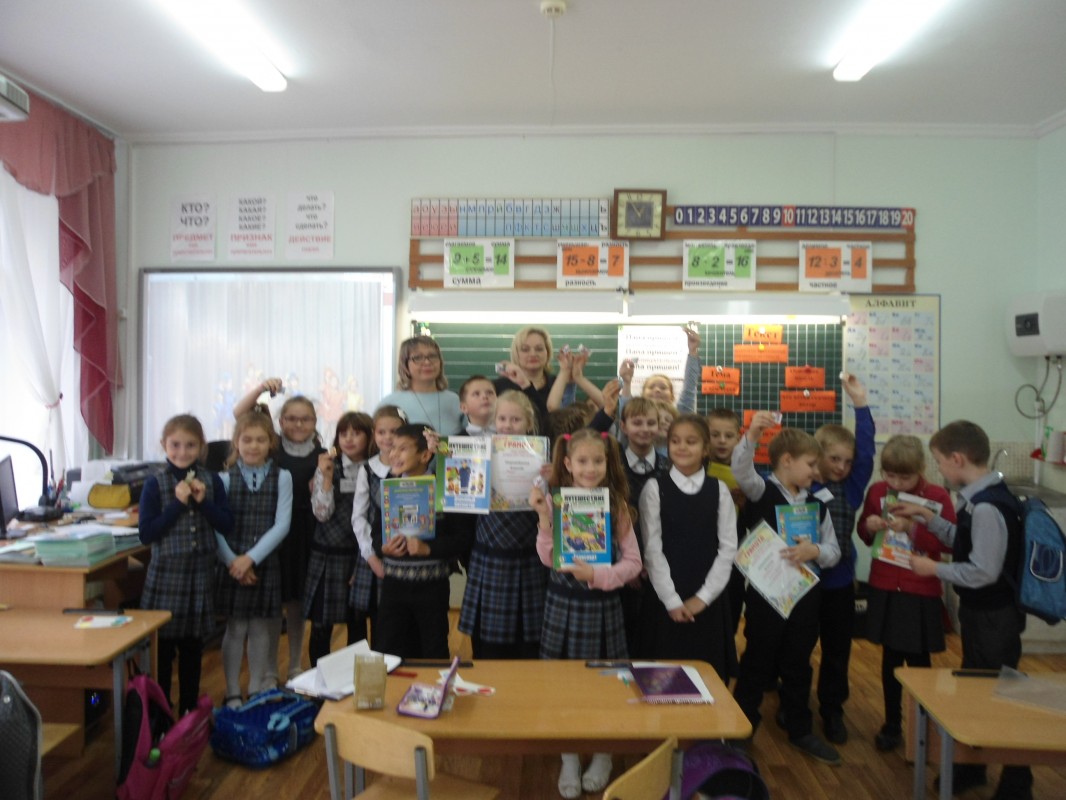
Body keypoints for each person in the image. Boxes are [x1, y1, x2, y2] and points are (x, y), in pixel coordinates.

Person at [897, 421, 1032, 800]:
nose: (939, 469)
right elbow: (966, 542)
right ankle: (973, 767)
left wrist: (933, 569)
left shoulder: (987, 507)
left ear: (957, 459)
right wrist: (930, 519)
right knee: (978, 694)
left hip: (994, 618)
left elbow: (984, 570)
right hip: (983, 615)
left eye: (940, 461)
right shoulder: (980, 498)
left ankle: (1017, 783)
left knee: (999, 698)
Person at [530, 428, 642, 799]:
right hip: (562, 605)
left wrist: (597, 575)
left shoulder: (616, 505)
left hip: (602, 607)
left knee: (605, 685)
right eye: (582, 461)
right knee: (562, 685)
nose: (590, 468)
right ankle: (570, 757)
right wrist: (543, 516)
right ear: (567, 463)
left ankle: (604, 754)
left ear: (608, 464)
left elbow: (634, 563)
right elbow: (547, 557)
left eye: (597, 461)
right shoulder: (556, 501)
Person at [731, 413, 841, 765]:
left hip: (805, 597)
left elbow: (834, 551)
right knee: (757, 661)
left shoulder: (817, 504)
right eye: (811, 464)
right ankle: (741, 727)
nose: (816, 472)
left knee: (798, 662)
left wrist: (816, 551)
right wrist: (753, 434)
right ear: (787, 461)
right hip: (766, 596)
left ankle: (800, 728)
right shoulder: (761, 490)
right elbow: (740, 469)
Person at [856, 434, 954, 752]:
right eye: (890, 475)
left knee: (920, 659)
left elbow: (948, 543)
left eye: (905, 477)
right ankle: (892, 724)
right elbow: (864, 532)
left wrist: (912, 528)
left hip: (920, 588)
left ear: (921, 469)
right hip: (885, 583)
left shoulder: (937, 496)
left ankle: (923, 728)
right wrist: (870, 526)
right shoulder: (877, 491)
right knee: (891, 658)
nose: (896, 483)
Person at [139, 414, 234, 714]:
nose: (182, 452)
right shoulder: (154, 484)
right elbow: (147, 533)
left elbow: (226, 524)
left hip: (199, 575)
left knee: (193, 650)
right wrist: (177, 505)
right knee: (163, 650)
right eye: (175, 445)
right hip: (166, 576)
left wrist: (203, 502)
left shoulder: (212, 481)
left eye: (190, 445)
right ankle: (161, 716)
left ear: (201, 446)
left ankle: (189, 715)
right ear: (164, 445)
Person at [234, 381, 325, 681]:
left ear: (315, 421)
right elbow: (240, 413)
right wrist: (261, 388)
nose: (298, 424)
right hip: (273, 533)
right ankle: (271, 668)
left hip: (307, 534)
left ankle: (295, 664)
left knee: (297, 603)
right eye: (292, 419)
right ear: (281, 422)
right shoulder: (272, 448)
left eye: (305, 419)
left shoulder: (323, 454)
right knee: (274, 603)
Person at [639, 414, 738, 681]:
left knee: (708, 679)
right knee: (660, 679)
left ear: (705, 448)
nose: (682, 447)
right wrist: (671, 600)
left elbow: (728, 549)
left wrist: (703, 598)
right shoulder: (654, 488)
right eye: (675, 441)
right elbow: (652, 550)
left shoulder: (719, 490)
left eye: (691, 441)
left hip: (708, 597)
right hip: (665, 595)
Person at [809, 373, 875, 745]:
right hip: (803, 582)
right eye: (834, 459)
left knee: (837, 651)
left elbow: (866, 451)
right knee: (799, 646)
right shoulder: (803, 485)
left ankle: (832, 710)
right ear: (817, 455)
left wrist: (860, 403)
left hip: (838, 583)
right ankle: (792, 701)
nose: (841, 466)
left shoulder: (850, 488)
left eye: (847, 461)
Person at [459, 391, 549, 659]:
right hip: (491, 551)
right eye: (502, 419)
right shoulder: (481, 450)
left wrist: (553, 477)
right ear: (494, 420)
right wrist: (437, 450)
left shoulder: (541, 453)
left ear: (528, 423)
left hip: (528, 552)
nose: (508, 425)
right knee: (488, 643)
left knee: (528, 639)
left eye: (516, 419)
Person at [372, 424, 473, 659]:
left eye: (403, 449)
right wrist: (383, 547)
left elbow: (462, 538)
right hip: (394, 584)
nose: (394, 454)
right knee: (388, 648)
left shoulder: (446, 489)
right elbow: (376, 534)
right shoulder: (388, 487)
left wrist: (428, 548)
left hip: (432, 586)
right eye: (392, 448)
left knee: (432, 649)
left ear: (425, 455)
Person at [215, 409, 292, 707]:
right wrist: (233, 562)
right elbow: (216, 528)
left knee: (261, 628)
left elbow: (282, 525)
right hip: (231, 563)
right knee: (236, 628)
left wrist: (250, 559)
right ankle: (233, 689)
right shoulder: (223, 479)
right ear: (236, 442)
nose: (253, 446)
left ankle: (258, 686)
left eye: (261, 440)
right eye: (247, 440)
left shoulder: (282, 477)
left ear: (271, 443)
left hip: (263, 563)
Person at [304, 411, 373, 666]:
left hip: (358, 555)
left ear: (369, 437)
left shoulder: (374, 468)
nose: (349, 439)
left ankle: (357, 680)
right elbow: (321, 514)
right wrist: (326, 478)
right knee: (321, 626)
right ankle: (318, 678)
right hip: (327, 554)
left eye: (356, 433)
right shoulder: (328, 466)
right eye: (344, 433)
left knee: (357, 625)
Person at [615, 396, 667, 657]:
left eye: (650, 423)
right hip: (623, 565)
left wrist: (653, 562)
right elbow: (611, 519)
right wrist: (629, 563)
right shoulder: (614, 468)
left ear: (659, 426)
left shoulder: (670, 467)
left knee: (655, 634)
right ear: (623, 426)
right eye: (637, 423)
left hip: (660, 565)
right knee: (626, 633)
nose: (645, 429)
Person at [350, 405, 407, 644]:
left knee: (397, 626)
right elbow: (358, 517)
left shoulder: (413, 467)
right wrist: (371, 556)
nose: (388, 437)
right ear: (374, 434)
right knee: (371, 619)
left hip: (405, 554)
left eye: (395, 431)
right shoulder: (368, 469)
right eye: (382, 432)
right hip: (373, 554)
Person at [706, 407, 748, 634]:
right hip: (704, 552)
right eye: (715, 435)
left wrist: (746, 504)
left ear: (738, 438)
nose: (722, 441)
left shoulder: (745, 473)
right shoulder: (698, 467)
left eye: (728, 435)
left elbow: (755, 518)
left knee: (731, 605)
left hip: (734, 554)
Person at [493, 326, 576, 432]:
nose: (533, 354)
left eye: (539, 349)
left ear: (547, 352)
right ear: (516, 354)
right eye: (525, 349)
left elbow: (555, 421)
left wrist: (527, 385)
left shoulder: (559, 382)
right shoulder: (500, 386)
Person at [379, 336, 463, 435]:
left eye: (432, 356)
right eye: (417, 358)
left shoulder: (455, 401)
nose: (427, 362)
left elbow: (473, 437)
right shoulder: (390, 403)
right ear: (405, 365)